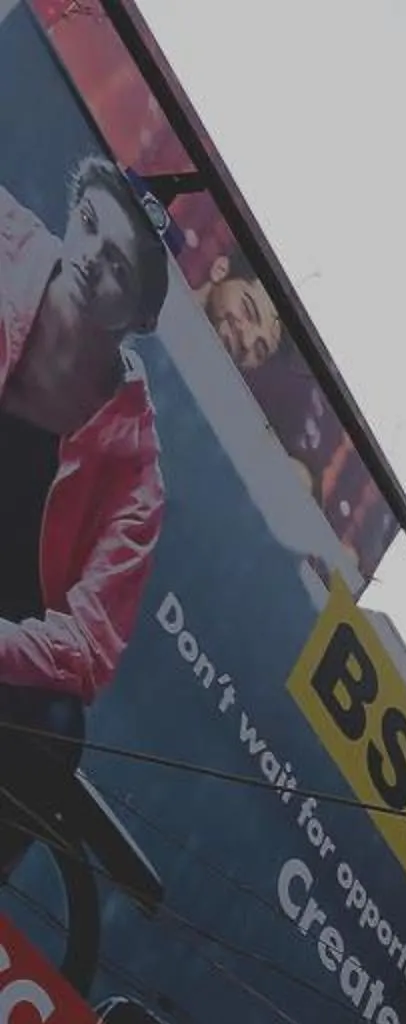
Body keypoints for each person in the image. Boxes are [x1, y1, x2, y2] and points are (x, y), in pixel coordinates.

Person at [0, 151, 168, 939]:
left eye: (118, 270)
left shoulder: (136, 468)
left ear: (140, 318)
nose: (90, 257)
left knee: (58, 725)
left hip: (5, 642)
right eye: (90, 225)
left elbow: (88, 648)